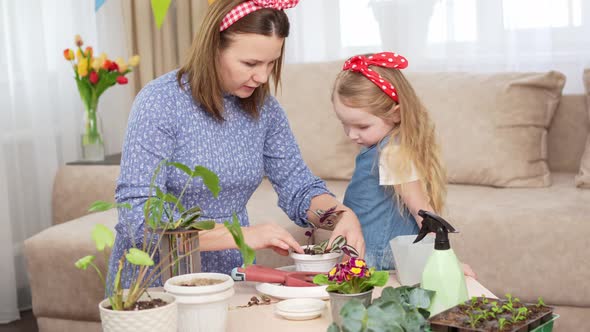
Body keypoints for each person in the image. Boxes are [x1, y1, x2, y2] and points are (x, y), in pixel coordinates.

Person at [107, 0, 365, 289]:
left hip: (231, 277)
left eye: (271, 63)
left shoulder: (265, 109)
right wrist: (241, 234)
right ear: (213, 48)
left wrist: (340, 215)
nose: (263, 77)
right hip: (158, 281)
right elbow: (139, 217)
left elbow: (298, 185)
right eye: (250, 63)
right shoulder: (160, 103)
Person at [331, 52, 475, 276]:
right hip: (366, 250)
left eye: (361, 126)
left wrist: (448, 262)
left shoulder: (392, 152)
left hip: (377, 257)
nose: (351, 134)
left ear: (395, 115)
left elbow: (422, 212)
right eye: (344, 124)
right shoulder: (382, 146)